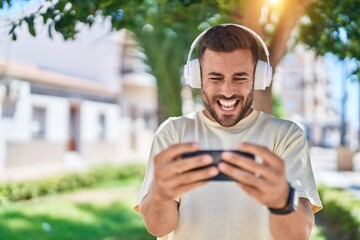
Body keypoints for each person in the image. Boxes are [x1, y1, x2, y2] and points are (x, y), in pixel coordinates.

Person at [134, 24, 322, 240]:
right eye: (215, 78)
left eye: (240, 78)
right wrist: (161, 192)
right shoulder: (173, 132)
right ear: (196, 77)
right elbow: (158, 228)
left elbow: (298, 235)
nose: (227, 91)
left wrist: (282, 199)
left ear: (259, 77)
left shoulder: (286, 136)